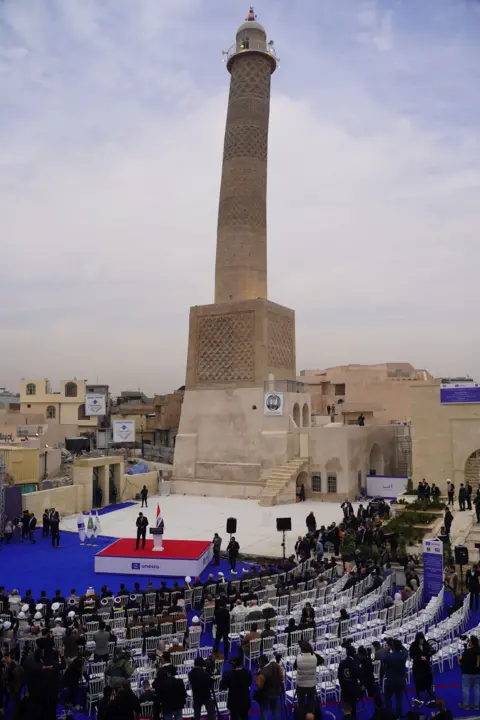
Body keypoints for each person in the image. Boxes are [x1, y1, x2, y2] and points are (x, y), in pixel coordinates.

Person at [294, 641, 324, 716]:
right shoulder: (314, 657)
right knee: (311, 705)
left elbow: (294, 667)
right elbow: (322, 660)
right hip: (311, 685)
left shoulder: (299, 658)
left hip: (301, 685)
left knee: (301, 704)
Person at [381, 639, 408, 719]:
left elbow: (382, 658)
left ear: (393, 647)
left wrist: (387, 650)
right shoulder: (403, 654)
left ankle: (389, 714)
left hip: (390, 681)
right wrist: (399, 644)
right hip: (400, 680)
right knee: (399, 699)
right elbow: (405, 650)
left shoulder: (389, 656)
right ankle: (398, 716)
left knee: (387, 698)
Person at [220, 655, 252, 720]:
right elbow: (249, 683)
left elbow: (223, 687)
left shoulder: (228, 674)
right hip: (244, 702)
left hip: (233, 703)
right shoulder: (247, 673)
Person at [254, 654, 284, 720]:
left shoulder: (264, 672)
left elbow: (259, 686)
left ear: (261, 662)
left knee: (264, 712)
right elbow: (281, 678)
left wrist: (256, 676)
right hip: (276, 692)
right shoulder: (276, 665)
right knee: (275, 711)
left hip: (266, 695)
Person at [409, 632, 434, 702]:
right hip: (418, 667)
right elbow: (412, 655)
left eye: (422, 639)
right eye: (420, 639)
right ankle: (418, 694)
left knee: (428, 680)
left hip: (426, 666)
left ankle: (430, 692)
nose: (421, 641)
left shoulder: (426, 644)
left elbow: (429, 652)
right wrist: (421, 657)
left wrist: (429, 655)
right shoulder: (413, 645)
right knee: (418, 681)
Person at [338, 645, 361, 718]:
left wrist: (342, 686)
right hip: (353, 687)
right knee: (353, 706)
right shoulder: (355, 663)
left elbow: (339, 676)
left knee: (346, 706)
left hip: (345, 687)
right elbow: (358, 675)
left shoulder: (342, 663)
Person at [459, 635, 480, 710]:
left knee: (466, 688)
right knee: (476, 688)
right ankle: (476, 705)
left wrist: (460, 657)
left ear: (471, 642)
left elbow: (462, 661)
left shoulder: (468, 652)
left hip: (467, 673)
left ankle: (465, 705)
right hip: (477, 673)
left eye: (470, 641)